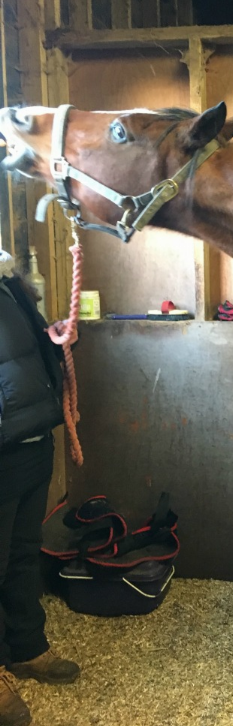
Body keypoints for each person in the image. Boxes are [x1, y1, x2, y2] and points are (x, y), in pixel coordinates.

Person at [0, 249, 79, 726]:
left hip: (31, 437)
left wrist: (55, 339)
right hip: (5, 445)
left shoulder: (9, 282)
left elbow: (23, 355)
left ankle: (26, 647)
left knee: (25, 551)